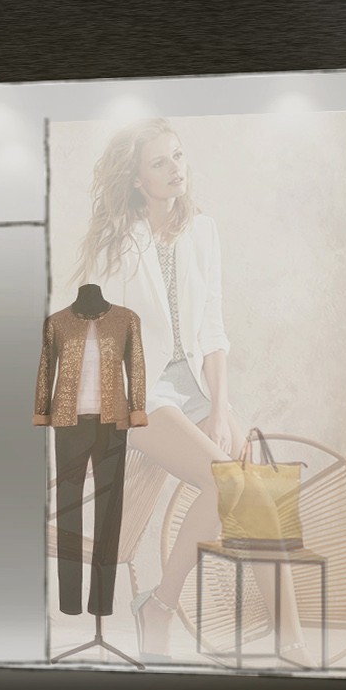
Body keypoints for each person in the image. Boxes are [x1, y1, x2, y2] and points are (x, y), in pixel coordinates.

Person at [72, 119, 237, 660]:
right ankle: (161, 608)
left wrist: (221, 408)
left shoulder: (203, 231)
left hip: (193, 382)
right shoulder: (118, 242)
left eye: (178, 156)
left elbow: (213, 327)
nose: (175, 169)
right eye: (160, 162)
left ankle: (294, 642)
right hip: (137, 389)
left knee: (255, 494)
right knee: (226, 483)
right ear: (138, 179)